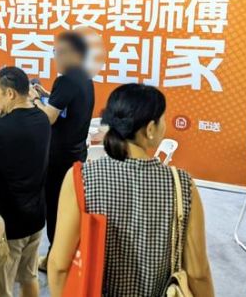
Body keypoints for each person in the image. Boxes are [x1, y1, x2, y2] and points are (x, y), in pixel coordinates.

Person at [48, 84, 214, 297]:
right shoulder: (182, 184)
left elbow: (59, 266)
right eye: (162, 118)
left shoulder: (81, 178)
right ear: (150, 128)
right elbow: (198, 273)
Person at [0, 67, 50, 297]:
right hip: (36, 218)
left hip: (8, 224)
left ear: (10, 94)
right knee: (29, 278)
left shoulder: (0, 128)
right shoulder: (42, 119)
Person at [31, 31, 94, 270]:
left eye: (59, 53)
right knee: (69, 206)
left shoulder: (66, 80)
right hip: (76, 153)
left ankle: (54, 259)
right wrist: (46, 95)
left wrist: (34, 100)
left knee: (56, 208)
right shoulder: (84, 78)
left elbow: (49, 117)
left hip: (59, 157)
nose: (56, 57)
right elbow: (66, 105)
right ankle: (64, 254)